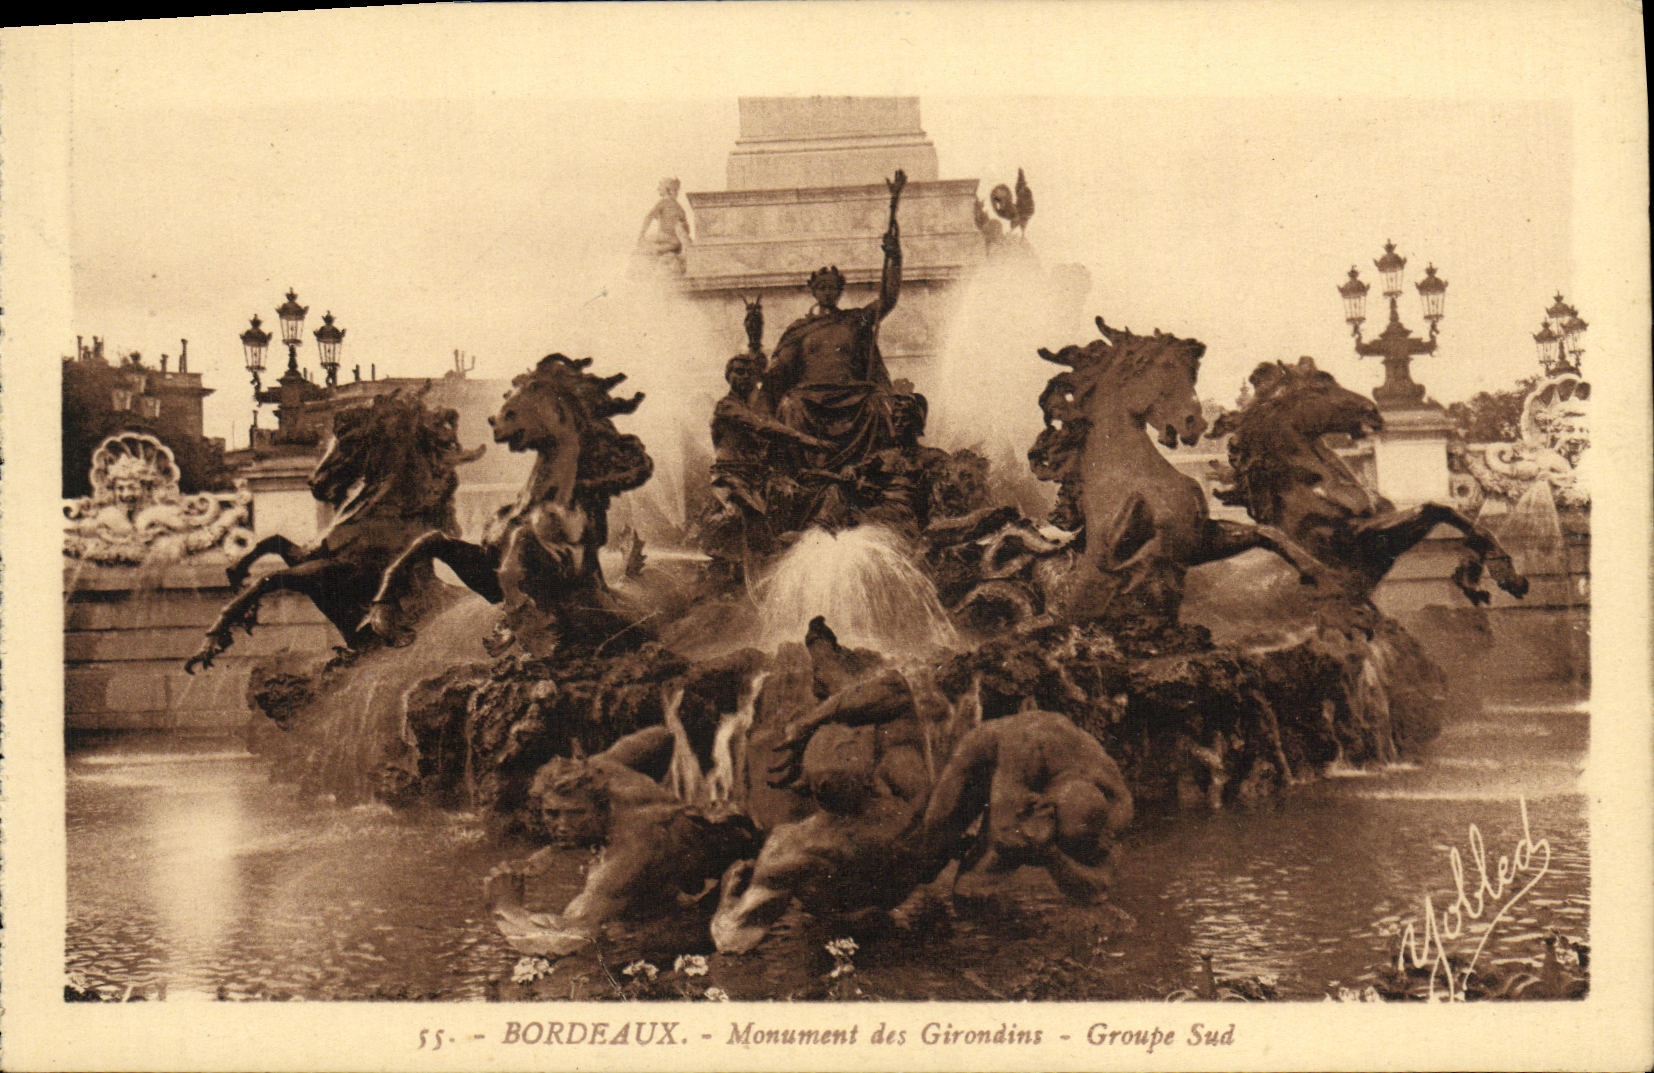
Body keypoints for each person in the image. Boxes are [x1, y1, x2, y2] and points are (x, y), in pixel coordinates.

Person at [762, 170, 907, 476]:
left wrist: (895, 258)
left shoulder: (855, 319)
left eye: (833, 287)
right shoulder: (799, 329)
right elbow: (782, 368)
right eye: (822, 287)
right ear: (814, 290)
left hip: (850, 392)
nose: (828, 292)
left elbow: (889, 298)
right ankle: (802, 473)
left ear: (839, 291)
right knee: (789, 406)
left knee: (877, 405)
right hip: (809, 394)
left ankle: (875, 471)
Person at [699, 352, 833, 579]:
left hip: (756, 479)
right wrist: (812, 442)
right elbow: (763, 427)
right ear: (728, 376)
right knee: (741, 519)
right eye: (737, 372)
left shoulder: (754, 408)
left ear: (756, 379)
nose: (743, 377)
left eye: (749, 373)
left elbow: (769, 429)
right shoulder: (727, 406)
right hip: (731, 478)